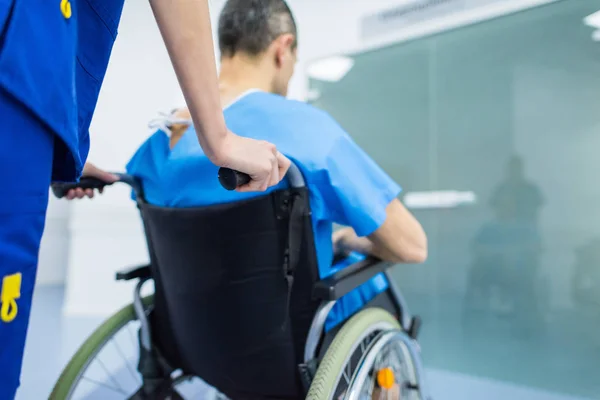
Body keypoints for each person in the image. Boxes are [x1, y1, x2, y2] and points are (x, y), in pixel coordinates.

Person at [121, 0, 427, 397]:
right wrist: (350, 237)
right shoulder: (303, 130)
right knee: (373, 283)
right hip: (291, 349)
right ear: (283, 49)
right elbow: (412, 245)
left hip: (197, 343)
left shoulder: (158, 145)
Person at [0, 1, 289, 398]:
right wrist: (218, 138)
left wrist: (57, 156)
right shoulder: (294, 137)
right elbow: (404, 239)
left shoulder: (160, 143)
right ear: (283, 49)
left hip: (187, 331)